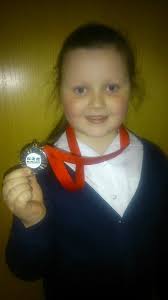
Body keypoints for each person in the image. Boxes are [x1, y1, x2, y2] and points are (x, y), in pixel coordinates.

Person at [2, 22, 168, 300]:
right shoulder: (42, 177)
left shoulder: (154, 159)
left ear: (131, 87)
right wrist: (31, 222)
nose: (97, 103)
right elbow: (26, 270)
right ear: (60, 92)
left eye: (112, 87)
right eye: (80, 89)